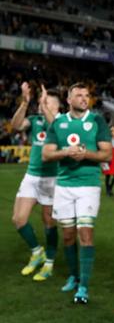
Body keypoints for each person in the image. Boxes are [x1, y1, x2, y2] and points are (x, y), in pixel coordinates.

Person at [42, 82, 112, 304]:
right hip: (63, 186)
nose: (84, 98)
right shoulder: (59, 123)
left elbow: (107, 154)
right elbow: (46, 154)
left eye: (87, 95)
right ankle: (74, 276)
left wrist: (85, 155)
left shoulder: (97, 120)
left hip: (88, 185)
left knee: (85, 234)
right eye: (79, 95)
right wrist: (66, 152)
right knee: (68, 235)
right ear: (69, 100)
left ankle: (83, 287)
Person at [10, 82, 60, 281]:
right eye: (42, 101)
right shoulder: (34, 120)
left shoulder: (62, 122)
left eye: (47, 102)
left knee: (49, 221)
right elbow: (15, 125)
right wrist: (25, 102)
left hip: (52, 179)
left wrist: (45, 107)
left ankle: (49, 262)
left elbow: (55, 129)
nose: (42, 104)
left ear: (56, 107)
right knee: (18, 219)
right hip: (32, 176)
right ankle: (37, 251)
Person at [101, 124, 114, 197]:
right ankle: (108, 190)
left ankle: (110, 188)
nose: (113, 132)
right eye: (112, 131)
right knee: (108, 175)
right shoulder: (107, 139)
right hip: (107, 159)